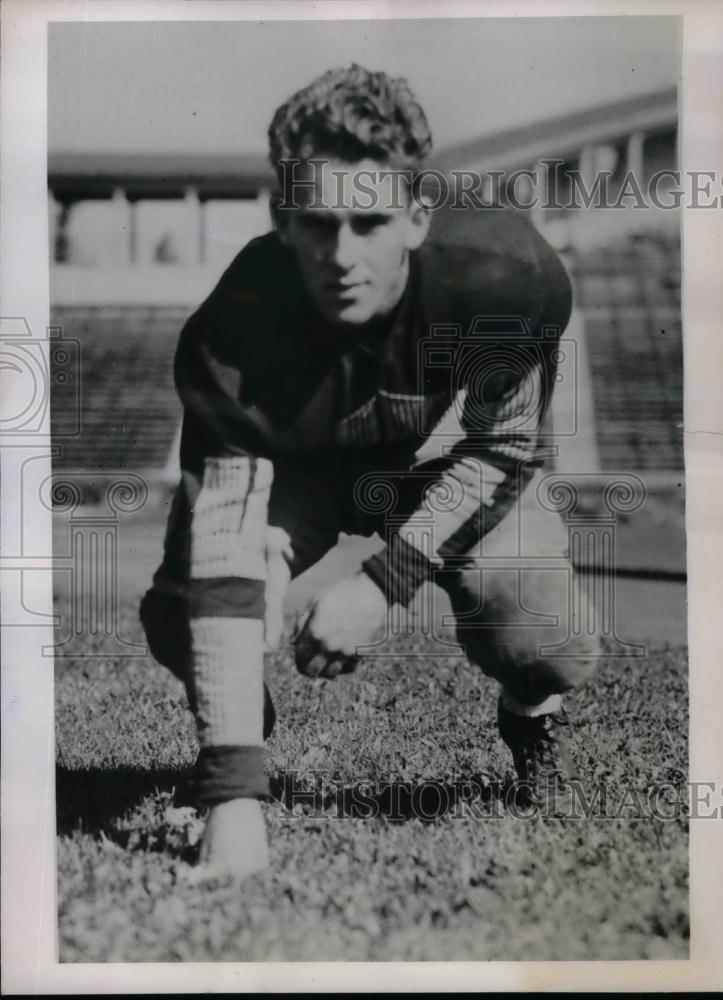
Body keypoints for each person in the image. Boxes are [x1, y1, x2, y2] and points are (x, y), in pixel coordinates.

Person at [140, 64, 601, 882]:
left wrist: (381, 581)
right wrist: (233, 797)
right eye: (316, 224)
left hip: (439, 464)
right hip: (299, 480)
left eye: (369, 220)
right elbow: (221, 548)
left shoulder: (502, 276)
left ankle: (533, 717)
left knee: (538, 631)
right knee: (186, 606)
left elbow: (501, 448)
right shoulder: (234, 324)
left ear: (418, 216)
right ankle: (244, 728)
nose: (341, 255)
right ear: (281, 219)